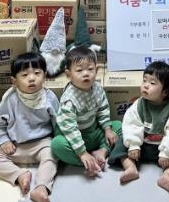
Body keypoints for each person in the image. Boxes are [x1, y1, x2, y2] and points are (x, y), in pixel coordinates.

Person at [0, 52, 59, 202]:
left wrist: (59, 141)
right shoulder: (9, 99)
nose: (31, 78)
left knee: (52, 153)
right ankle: (20, 175)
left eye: (37, 73)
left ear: (45, 76)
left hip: (42, 144)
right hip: (16, 146)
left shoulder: (49, 97)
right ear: (14, 81)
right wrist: (4, 140)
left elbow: (58, 122)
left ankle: (41, 187)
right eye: (24, 75)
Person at [108, 61, 169, 192]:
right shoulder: (139, 104)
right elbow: (131, 124)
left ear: (165, 92)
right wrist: (134, 145)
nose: (146, 85)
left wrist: (166, 152)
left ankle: (168, 175)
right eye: (144, 80)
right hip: (142, 146)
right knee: (121, 143)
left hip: (163, 147)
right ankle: (130, 168)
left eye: (152, 83)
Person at [50, 46, 122, 177]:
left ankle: (102, 151)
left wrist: (107, 129)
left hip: (93, 131)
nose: (86, 73)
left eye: (90, 69)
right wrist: (82, 153)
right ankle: (89, 162)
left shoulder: (97, 88)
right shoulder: (69, 100)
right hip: (73, 136)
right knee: (57, 145)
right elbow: (70, 129)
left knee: (118, 126)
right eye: (79, 70)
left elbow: (103, 109)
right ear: (68, 74)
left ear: (96, 70)